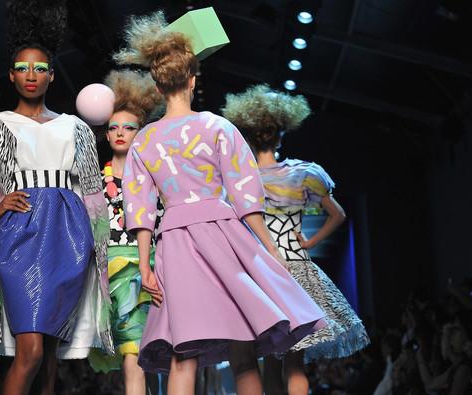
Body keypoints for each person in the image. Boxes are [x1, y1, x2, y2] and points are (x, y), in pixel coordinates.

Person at [115, 11, 327, 395]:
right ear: (193, 80)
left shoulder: (144, 141)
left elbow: (140, 205)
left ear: (159, 86)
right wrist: (270, 249)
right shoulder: (217, 127)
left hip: (175, 244)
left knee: (184, 352)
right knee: (243, 346)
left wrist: (145, 263)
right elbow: (246, 195)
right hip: (224, 237)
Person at [0, 1, 112, 393]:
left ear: (52, 76)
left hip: (69, 238)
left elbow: (92, 192)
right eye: (22, 68)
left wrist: (101, 249)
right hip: (20, 236)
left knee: (48, 360)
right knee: (30, 351)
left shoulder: (74, 128)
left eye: (39, 68)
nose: (30, 75)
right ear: (11, 76)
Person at [222, 84, 370, 395]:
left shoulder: (240, 179)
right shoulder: (303, 173)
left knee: (270, 362)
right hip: (297, 271)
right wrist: (309, 243)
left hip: (260, 275)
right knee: (294, 362)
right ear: (281, 134)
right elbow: (338, 214)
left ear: (248, 135)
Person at [87, 69, 164, 395]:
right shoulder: (91, 183)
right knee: (133, 357)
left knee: (150, 357)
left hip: (149, 271)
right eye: (113, 127)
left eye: (129, 127)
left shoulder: (154, 179)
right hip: (108, 276)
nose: (120, 133)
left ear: (141, 133)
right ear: (105, 135)